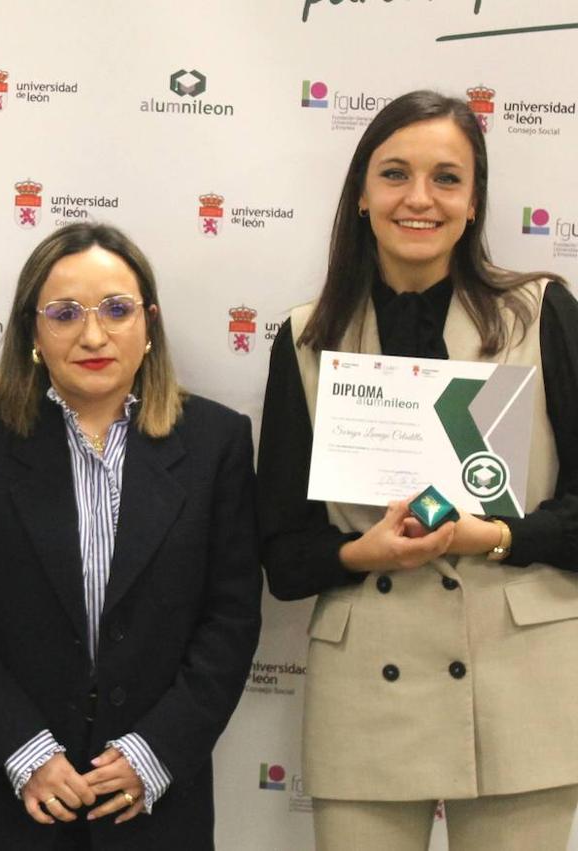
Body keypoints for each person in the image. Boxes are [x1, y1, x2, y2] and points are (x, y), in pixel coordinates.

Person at [258, 90, 578, 850]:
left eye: (447, 178)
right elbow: (282, 548)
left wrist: (496, 534)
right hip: (368, 687)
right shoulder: (306, 339)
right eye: (395, 174)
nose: (419, 198)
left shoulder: (544, 313)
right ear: (362, 196)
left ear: (474, 203)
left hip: (518, 682)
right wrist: (359, 552)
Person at [0, 222, 261, 850]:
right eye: (65, 313)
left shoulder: (216, 443)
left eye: (117, 310)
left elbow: (230, 620)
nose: (93, 335)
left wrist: (156, 753)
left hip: (150, 806)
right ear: (33, 332)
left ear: (148, 324)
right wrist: (25, 751)